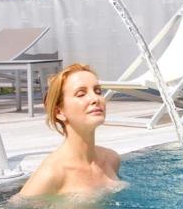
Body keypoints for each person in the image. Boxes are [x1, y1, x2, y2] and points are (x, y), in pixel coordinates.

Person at [17, 63, 122, 198]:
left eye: (97, 91)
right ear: (59, 112)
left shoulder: (112, 160)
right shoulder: (52, 173)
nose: (95, 99)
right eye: (81, 94)